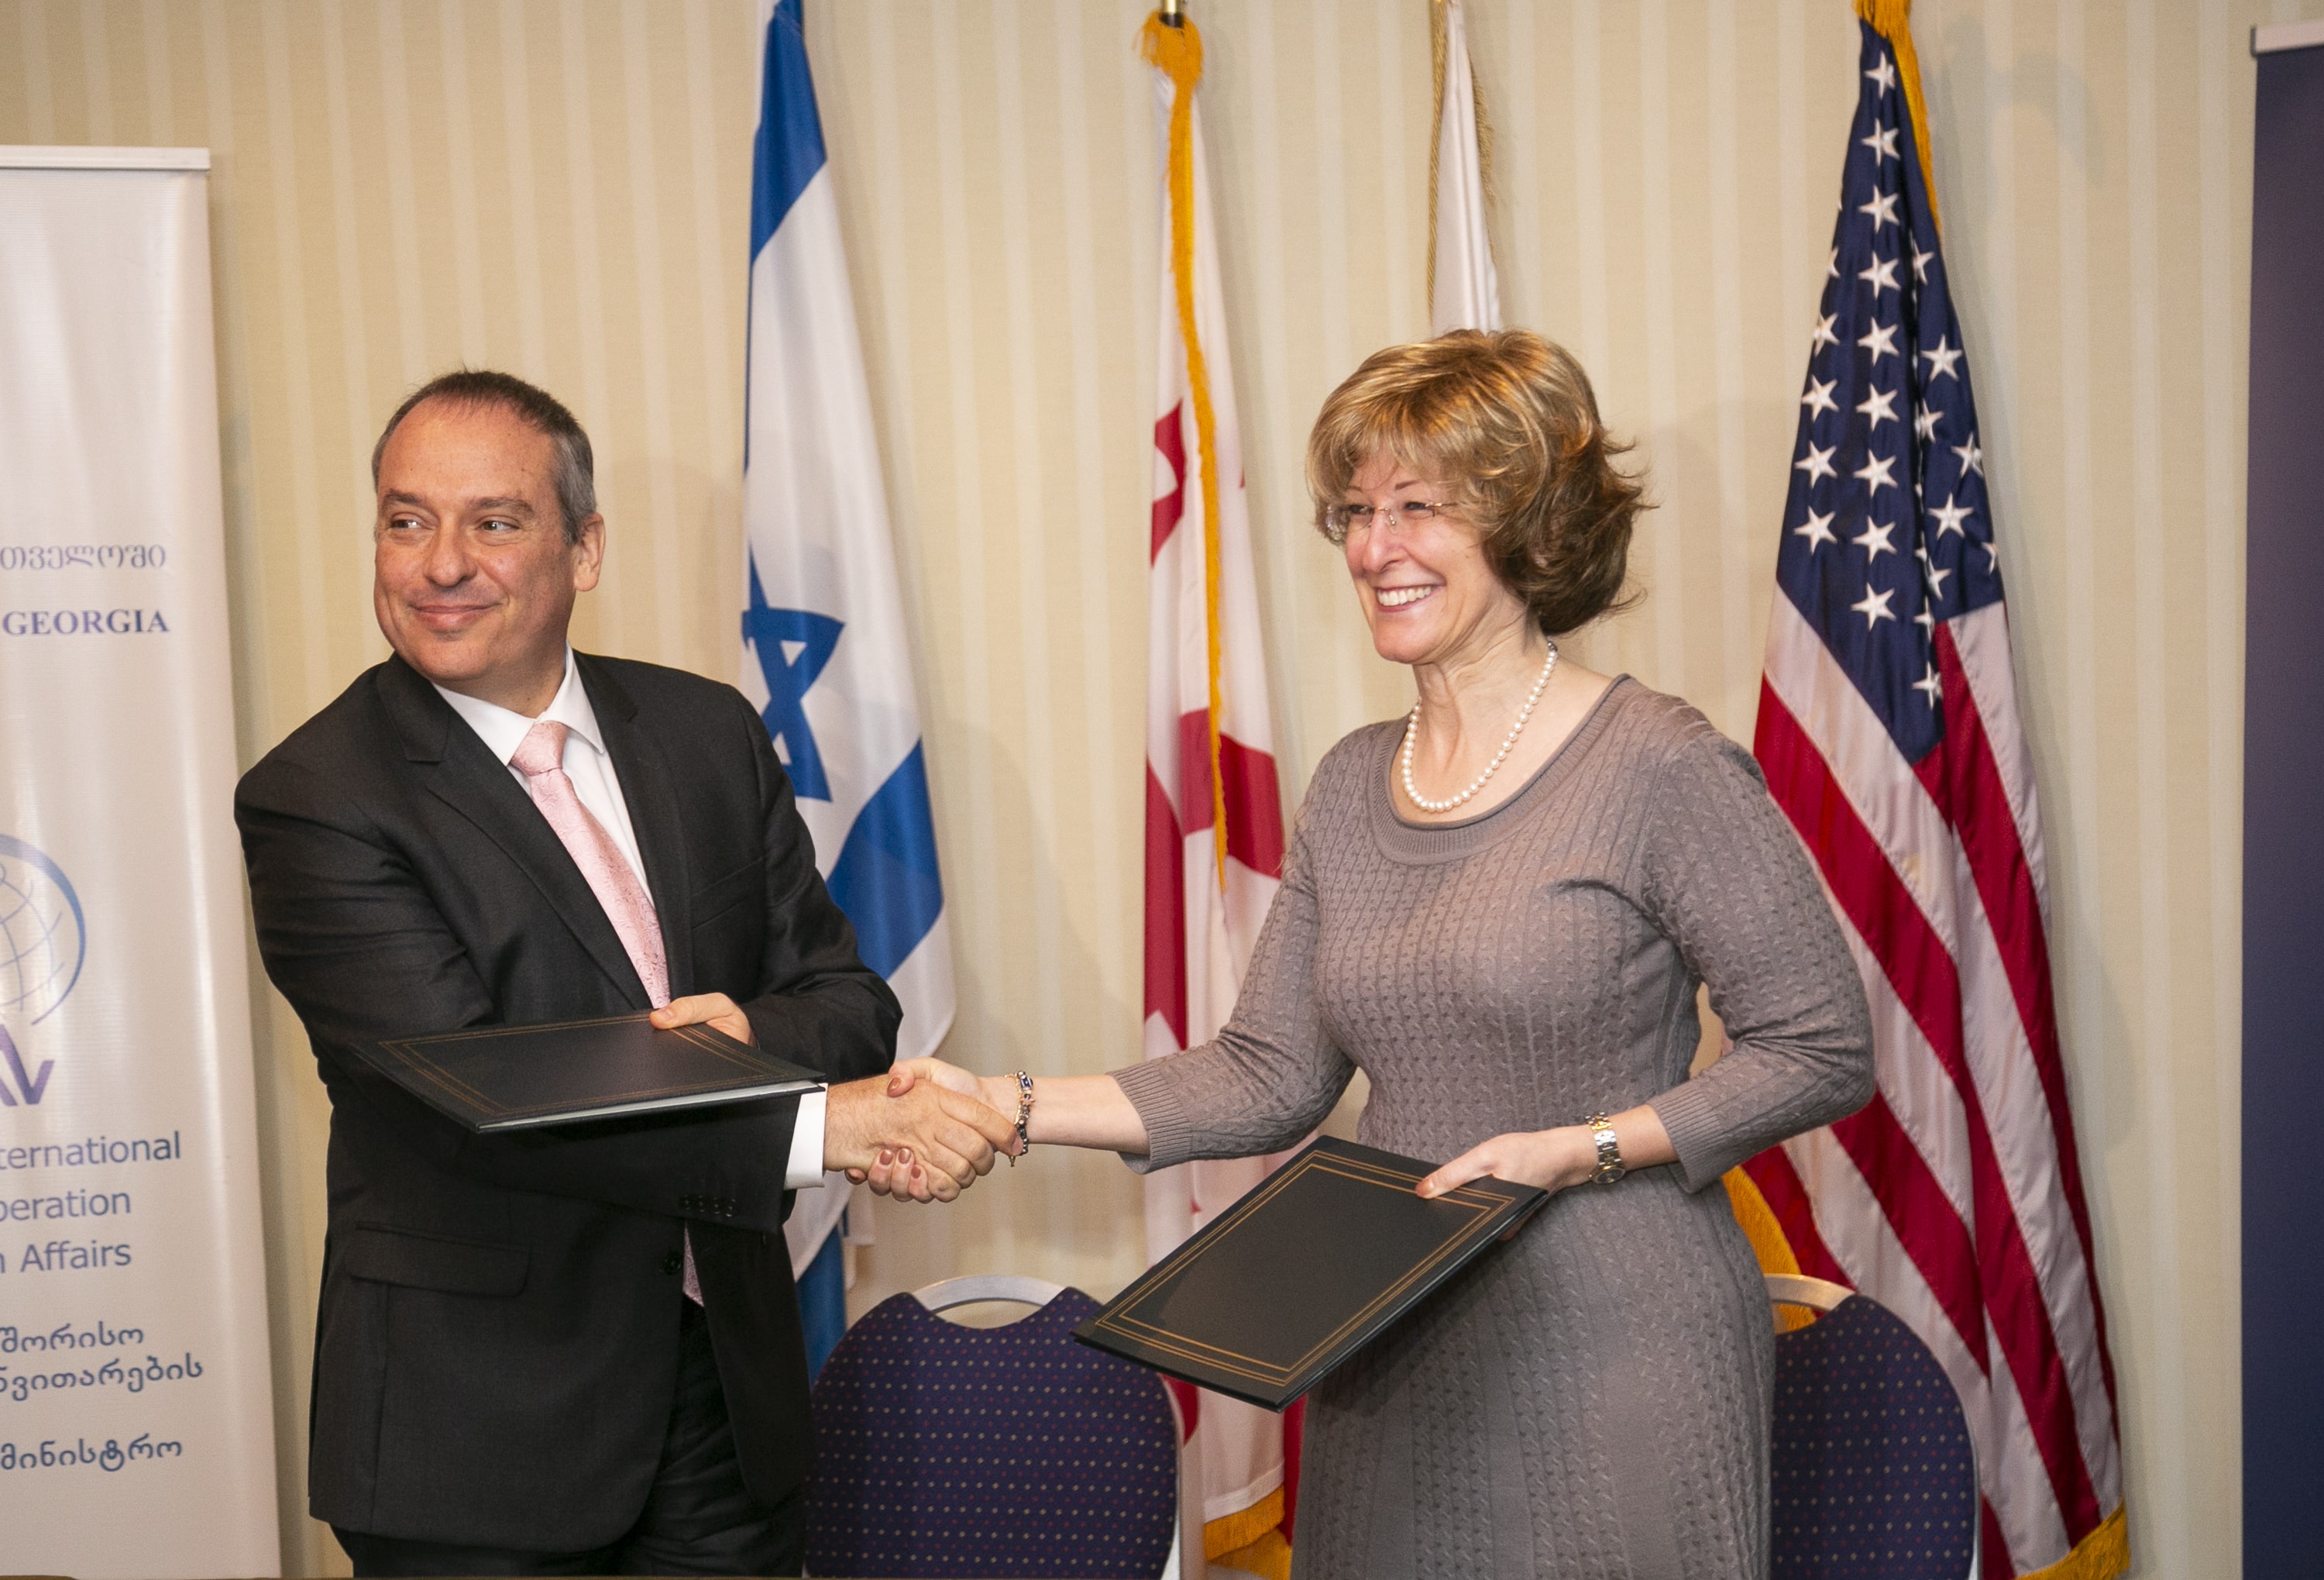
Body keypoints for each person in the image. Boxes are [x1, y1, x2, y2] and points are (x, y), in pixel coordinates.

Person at [889, 332, 1875, 1578]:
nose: (1372, 548)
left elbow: (1822, 1045)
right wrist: (1001, 1103)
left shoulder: (1661, 763)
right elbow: (1266, 1075)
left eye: (1419, 508)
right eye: (1356, 513)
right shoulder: (1354, 783)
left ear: (1532, 522)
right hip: (1387, 1340)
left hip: (1615, 1340)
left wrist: (1581, 1148)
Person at [235, 370, 1014, 1578]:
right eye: (406, 520)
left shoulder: (706, 733)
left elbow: (850, 1001)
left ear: (585, 549)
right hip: (483, 1442)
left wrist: (747, 1040)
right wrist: (824, 1129)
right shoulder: (318, 798)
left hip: (725, 1401)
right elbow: (480, 1096)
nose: (442, 564)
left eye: (494, 521)